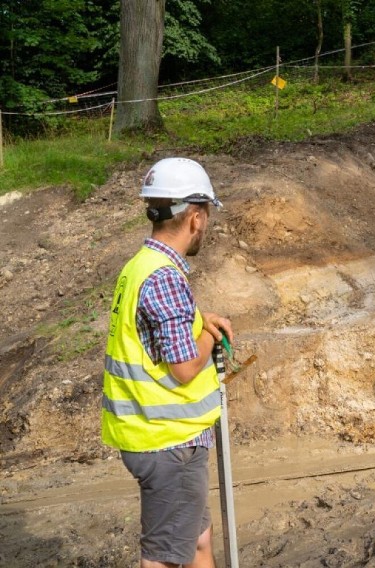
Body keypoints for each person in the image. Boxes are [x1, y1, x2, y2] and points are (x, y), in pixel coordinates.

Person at [101, 157, 233, 568]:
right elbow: (183, 366)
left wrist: (198, 320)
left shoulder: (142, 266)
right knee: (162, 558)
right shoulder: (165, 278)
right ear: (194, 218)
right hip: (168, 441)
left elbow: (158, 334)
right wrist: (209, 334)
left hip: (158, 438)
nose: (206, 225)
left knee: (196, 541)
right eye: (206, 215)